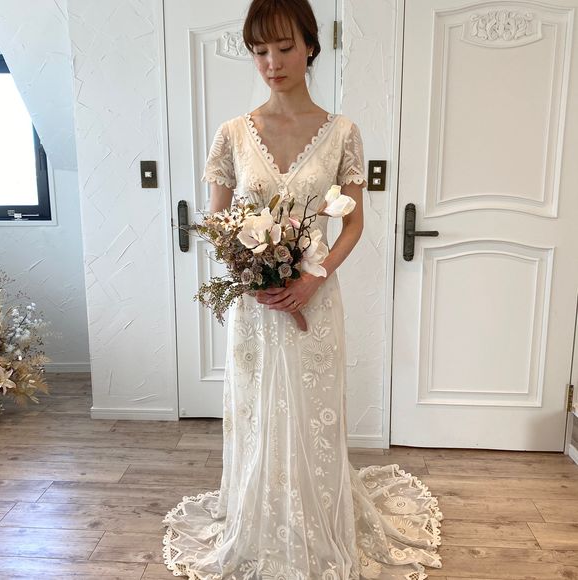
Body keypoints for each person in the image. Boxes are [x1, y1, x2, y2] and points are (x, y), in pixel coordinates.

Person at [162, 0, 443, 577]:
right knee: (257, 410)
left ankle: (319, 522)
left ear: (310, 46)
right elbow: (217, 224)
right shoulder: (232, 134)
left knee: (314, 411)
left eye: (285, 47)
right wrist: (252, 275)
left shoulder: (342, 133)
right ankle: (258, 521)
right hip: (257, 305)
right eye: (259, 51)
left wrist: (315, 276)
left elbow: (354, 222)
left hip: (315, 297)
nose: (272, 62)